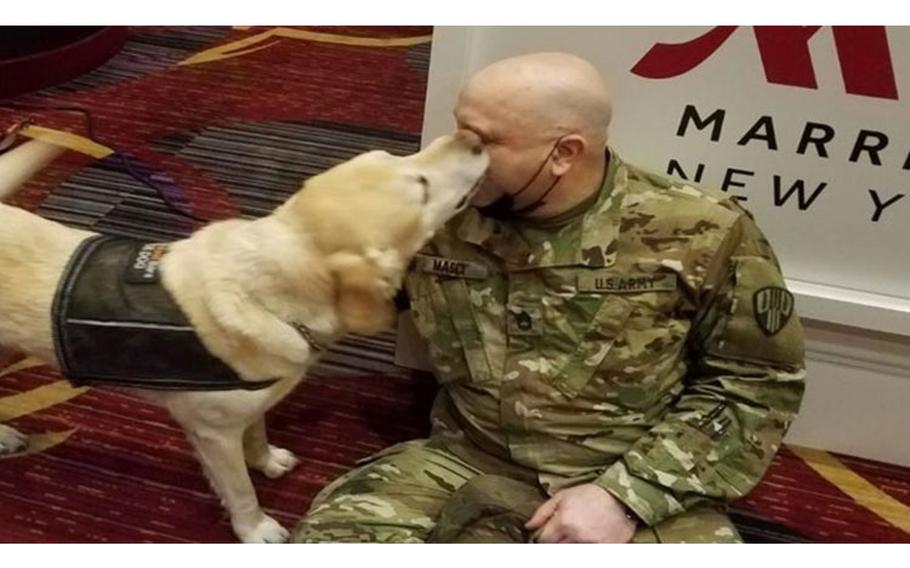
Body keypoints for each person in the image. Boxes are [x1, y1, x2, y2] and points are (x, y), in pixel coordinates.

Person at [293, 52, 806, 544]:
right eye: (457, 130)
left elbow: (755, 383)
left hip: (629, 470)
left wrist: (627, 497)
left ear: (564, 153)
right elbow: (320, 291)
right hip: (463, 459)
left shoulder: (698, 231)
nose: (452, 153)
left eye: (481, 141)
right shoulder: (436, 214)